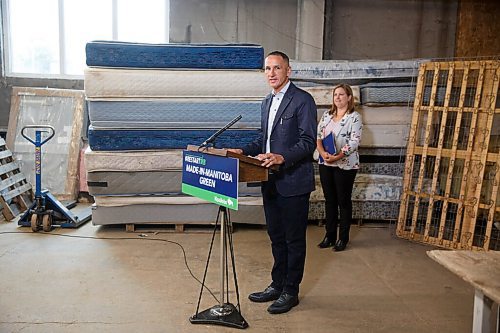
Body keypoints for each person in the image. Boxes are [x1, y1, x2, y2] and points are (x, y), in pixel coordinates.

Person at [228, 51, 317, 314]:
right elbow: (263, 139)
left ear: (288, 70)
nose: (271, 73)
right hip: (269, 180)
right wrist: (242, 152)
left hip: (294, 181)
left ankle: (291, 290)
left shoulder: (303, 100)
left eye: (277, 68)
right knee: (276, 236)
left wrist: (282, 157)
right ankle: (277, 285)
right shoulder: (267, 101)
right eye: (267, 68)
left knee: (293, 239)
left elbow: (308, 141)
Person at [316, 83, 362, 252]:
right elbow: (319, 136)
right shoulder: (326, 116)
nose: (337, 97)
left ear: (349, 97)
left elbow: (354, 141)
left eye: (341, 94)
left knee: (343, 201)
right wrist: (322, 153)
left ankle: (343, 238)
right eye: (335, 94)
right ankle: (329, 235)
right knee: (329, 200)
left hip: (345, 165)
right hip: (325, 162)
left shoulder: (354, 117)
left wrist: (338, 156)